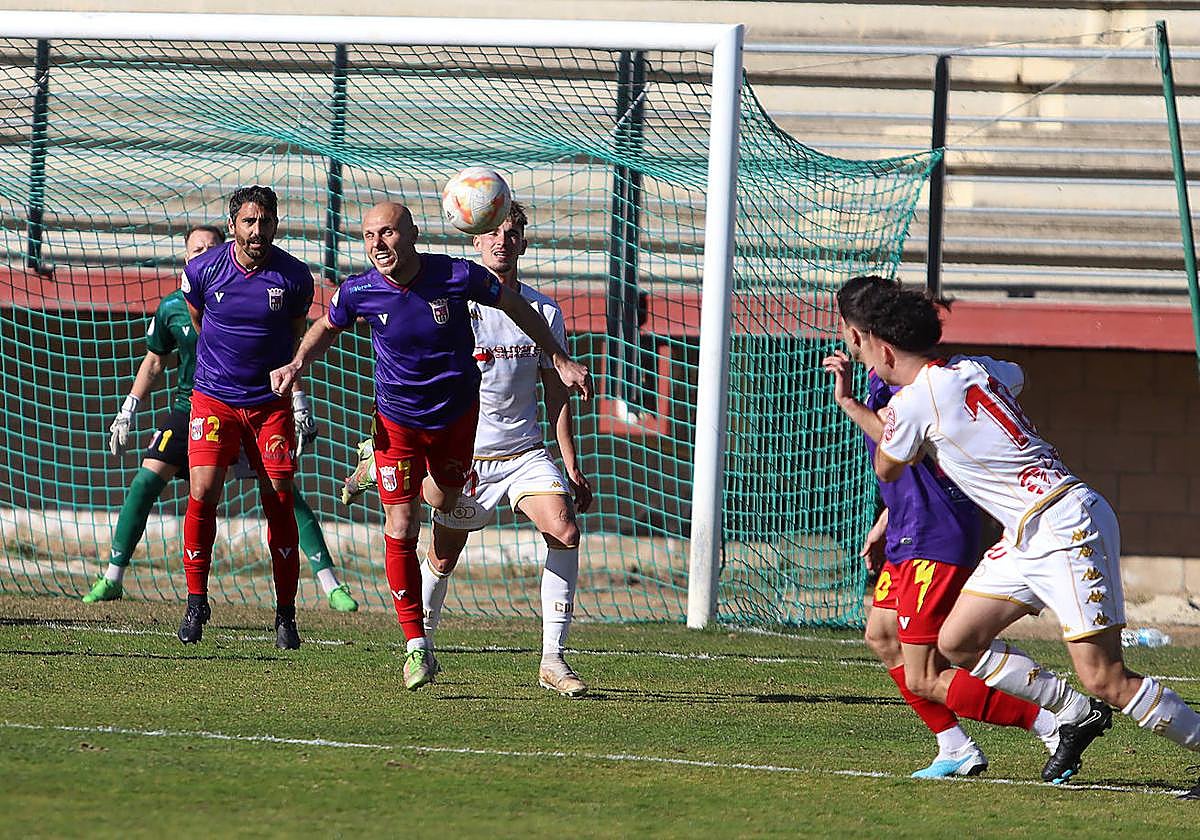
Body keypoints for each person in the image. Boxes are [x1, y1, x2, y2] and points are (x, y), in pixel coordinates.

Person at [831, 275, 1200, 797]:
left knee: (1107, 678)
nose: (861, 356)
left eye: (859, 344)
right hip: (1026, 528)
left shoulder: (915, 402)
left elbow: (890, 468)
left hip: (1064, 524)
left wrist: (870, 410)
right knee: (957, 641)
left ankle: (1105, 712)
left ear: (883, 347)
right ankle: (1071, 714)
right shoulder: (971, 367)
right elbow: (1017, 374)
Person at [270, 200, 591, 691]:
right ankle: (418, 644)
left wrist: (560, 367)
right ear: (475, 235)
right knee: (424, 537)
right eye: (369, 235)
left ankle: (553, 660)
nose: (378, 244)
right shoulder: (394, 292)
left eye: (389, 233)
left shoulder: (507, 298)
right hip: (434, 436)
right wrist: (296, 365)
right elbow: (327, 326)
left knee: (562, 530)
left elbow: (546, 376)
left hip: (499, 444)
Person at [832, 277, 1061, 778]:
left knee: (926, 672)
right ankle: (955, 746)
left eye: (846, 329)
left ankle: (1052, 722)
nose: (844, 340)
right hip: (907, 528)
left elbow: (901, 452)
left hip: (936, 534)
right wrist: (885, 519)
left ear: (862, 333)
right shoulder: (882, 378)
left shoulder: (918, 381)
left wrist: (851, 408)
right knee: (882, 635)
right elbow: (918, 462)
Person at [90, 224, 358, 614]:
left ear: (225, 251)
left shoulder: (252, 293)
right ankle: (113, 576)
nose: (203, 254)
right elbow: (154, 363)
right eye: (195, 249)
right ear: (186, 258)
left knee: (283, 493)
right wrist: (128, 409)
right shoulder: (171, 308)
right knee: (146, 480)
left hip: (255, 407)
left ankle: (329, 582)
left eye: (210, 248)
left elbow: (283, 351)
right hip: (192, 407)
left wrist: (298, 402)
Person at [178, 185, 316, 649]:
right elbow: (199, 321)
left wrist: (294, 396)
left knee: (279, 496)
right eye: (249, 222)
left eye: (266, 222)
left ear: (276, 224)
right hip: (214, 398)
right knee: (203, 489)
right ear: (233, 224)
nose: (258, 231)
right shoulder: (202, 269)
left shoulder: (294, 277)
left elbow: (296, 336)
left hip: (269, 403)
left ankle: (285, 613)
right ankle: (197, 600)